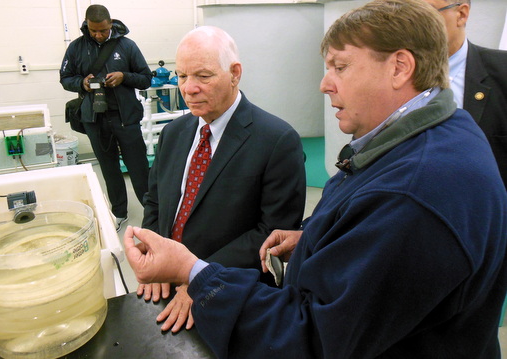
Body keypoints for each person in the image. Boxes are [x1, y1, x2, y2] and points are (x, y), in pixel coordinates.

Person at [125, 0, 507, 357]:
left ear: (400, 67)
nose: (324, 84)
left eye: (339, 67)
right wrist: (311, 236)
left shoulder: (413, 193)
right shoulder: (437, 131)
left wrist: (194, 273)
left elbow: (315, 337)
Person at [138, 26, 306, 333]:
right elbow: (155, 201)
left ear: (235, 73)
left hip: (225, 288)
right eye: (182, 75)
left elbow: (271, 234)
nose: (188, 88)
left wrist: (198, 276)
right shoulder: (173, 134)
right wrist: (156, 254)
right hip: (166, 284)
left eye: (203, 76)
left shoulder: (277, 140)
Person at [60, 4, 151, 230]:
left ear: (111, 24)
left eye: (102, 30)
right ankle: (119, 212)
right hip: (95, 119)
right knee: (109, 168)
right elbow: (65, 78)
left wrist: (124, 76)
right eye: (93, 31)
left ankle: (153, 213)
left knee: (139, 168)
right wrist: (81, 83)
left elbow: (145, 78)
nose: (98, 35)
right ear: (87, 26)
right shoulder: (76, 48)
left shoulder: (127, 46)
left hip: (125, 118)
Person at [423, 0, 507, 188]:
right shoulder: (390, 74)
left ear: (461, 14)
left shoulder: (502, 72)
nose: (411, 26)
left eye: (424, 14)